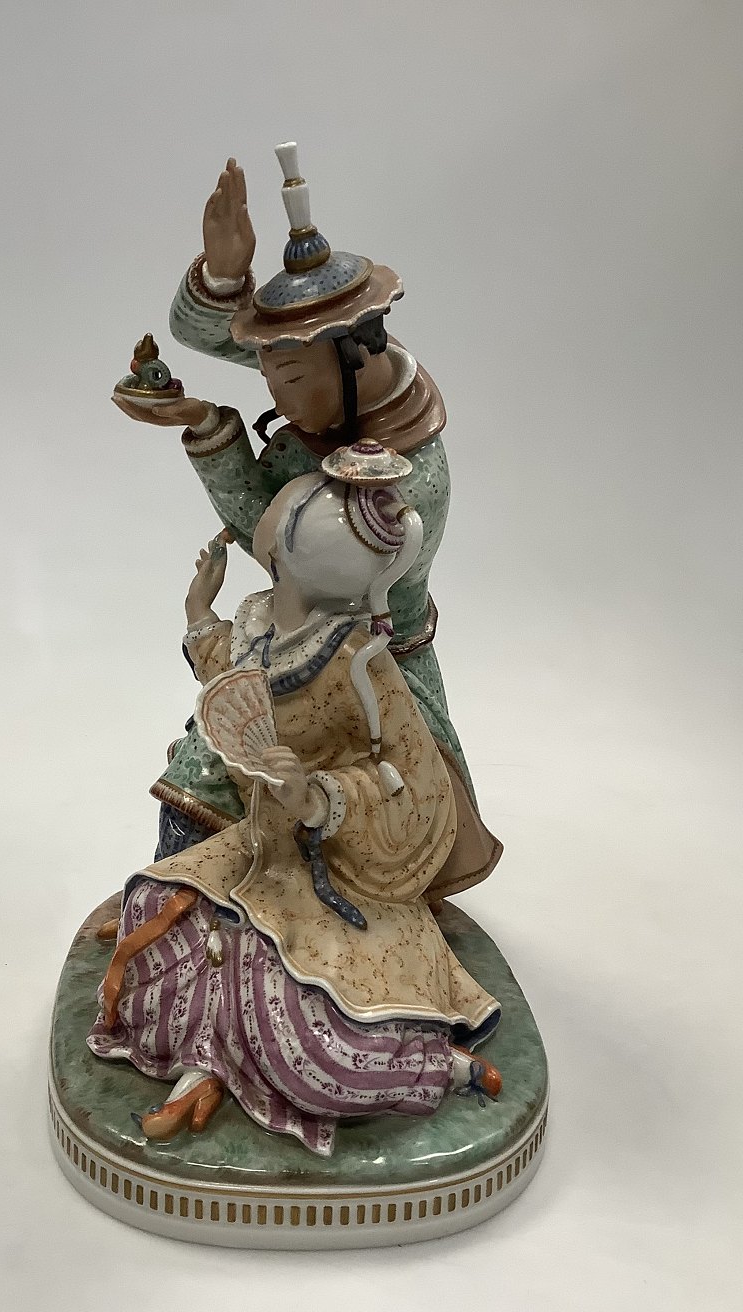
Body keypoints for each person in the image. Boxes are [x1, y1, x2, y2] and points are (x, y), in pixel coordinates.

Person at [112, 144, 501, 919]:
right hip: (287, 647)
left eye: (289, 379)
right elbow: (208, 333)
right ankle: (190, 922)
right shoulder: (334, 375)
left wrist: (211, 427)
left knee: (353, 828)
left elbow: (279, 543)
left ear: (355, 356)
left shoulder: (405, 487)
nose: (279, 399)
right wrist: (225, 277)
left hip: (364, 681)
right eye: (269, 377)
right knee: (206, 790)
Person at [87, 443, 502, 1157]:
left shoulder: (357, 661)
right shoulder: (260, 621)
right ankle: (209, 1058)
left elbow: (413, 782)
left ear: (287, 551)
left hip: (328, 870)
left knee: (307, 1037)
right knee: (153, 913)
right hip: (255, 845)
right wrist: (198, 609)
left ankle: (434, 1065)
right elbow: (229, 677)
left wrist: (321, 797)